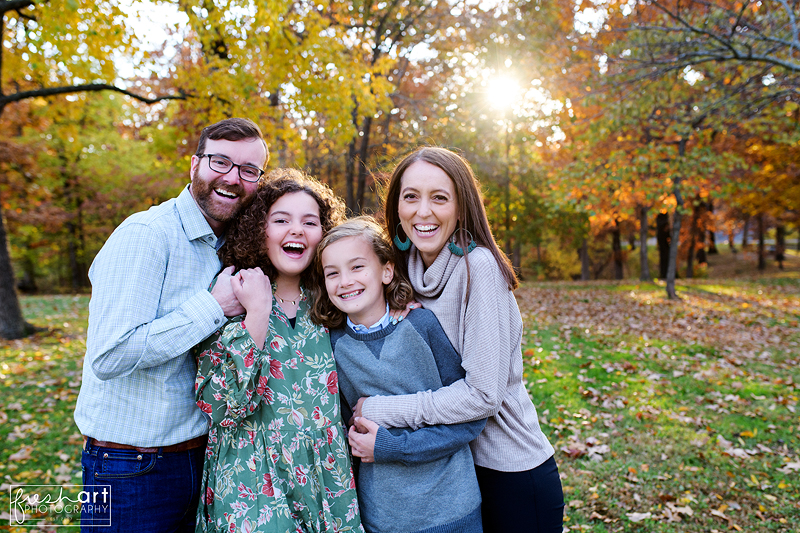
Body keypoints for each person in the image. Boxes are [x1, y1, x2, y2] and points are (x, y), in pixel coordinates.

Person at [352, 147, 565, 532]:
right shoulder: (404, 270)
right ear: (396, 206)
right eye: (411, 196)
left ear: (461, 206)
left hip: (509, 470)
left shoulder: (478, 268)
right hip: (452, 471)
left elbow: (484, 395)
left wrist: (379, 410)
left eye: (439, 198)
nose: (423, 212)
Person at [74, 118, 269, 532]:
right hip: (128, 469)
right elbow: (110, 355)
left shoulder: (228, 244)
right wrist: (211, 307)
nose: (232, 178)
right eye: (221, 162)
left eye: (248, 170)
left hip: (199, 461)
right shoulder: (147, 235)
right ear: (194, 165)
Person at [194, 170, 364, 533]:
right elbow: (221, 406)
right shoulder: (232, 289)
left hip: (326, 482)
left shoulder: (333, 296)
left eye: (310, 222)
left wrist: (399, 303)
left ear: (323, 234)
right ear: (260, 229)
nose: (297, 230)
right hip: (253, 480)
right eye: (281, 220)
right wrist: (256, 313)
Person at [312, 216, 486, 533]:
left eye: (357, 267)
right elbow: (348, 432)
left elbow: (470, 419)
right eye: (332, 273)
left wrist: (391, 448)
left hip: (450, 508)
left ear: (387, 271)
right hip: (383, 515)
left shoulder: (423, 326)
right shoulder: (333, 346)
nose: (345, 280)